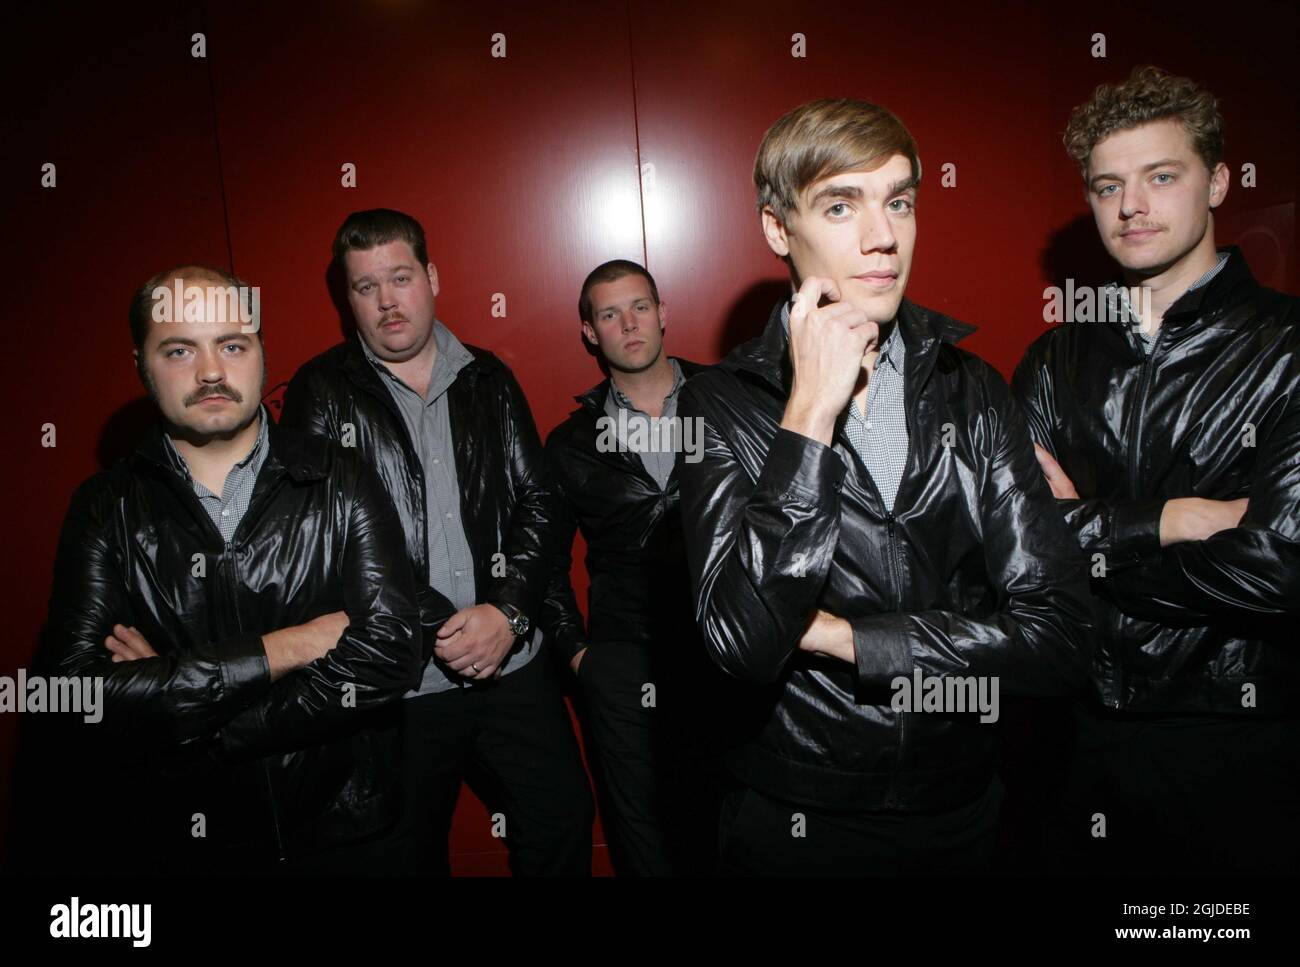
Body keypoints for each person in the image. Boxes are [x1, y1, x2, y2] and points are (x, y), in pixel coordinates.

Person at [676, 98, 1095, 875]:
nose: (884, 236)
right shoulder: (719, 403)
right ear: (778, 228)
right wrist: (806, 419)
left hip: (963, 806)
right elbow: (740, 643)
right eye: (841, 204)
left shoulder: (974, 389)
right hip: (800, 815)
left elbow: (1062, 637)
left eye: (899, 200)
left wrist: (849, 639)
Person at [26, 264, 422, 874]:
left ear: (261, 352)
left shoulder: (340, 475)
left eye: (232, 345)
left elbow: (391, 650)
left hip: (350, 830)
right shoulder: (106, 507)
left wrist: (196, 715)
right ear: (141, 364)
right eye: (180, 349)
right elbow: (77, 696)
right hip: (191, 841)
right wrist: (292, 644)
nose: (211, 371)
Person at [1013, 65, 1300, 874]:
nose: (1131, 205)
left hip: (1234, 730)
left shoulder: (1287, 347)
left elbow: (1280, 566)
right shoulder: (1054, 355)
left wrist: (1087, 540)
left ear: (1219, 182)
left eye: (1161, 176)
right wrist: (1175, 518)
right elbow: (1015, 553)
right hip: (1073, 731)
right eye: (1108, 186)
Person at [280, 209, 593, 875]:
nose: (388, 301)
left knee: (560, 821)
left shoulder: (487, 376)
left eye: (401, 277)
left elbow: (539, 500)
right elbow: (327, 537)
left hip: (512, 664)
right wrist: (447, 626)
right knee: (405, 856)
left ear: (432, 278)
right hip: (399, 681)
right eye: (366, 287)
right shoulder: (321, 389)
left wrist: (507, 612)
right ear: (348, 298)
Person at [542, 259, 722, 875]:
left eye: (640, 306)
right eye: (610, 313)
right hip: (624, 661)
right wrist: (579, 657)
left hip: (728, 650)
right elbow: (542, 561)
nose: (629, 323)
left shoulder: (729, 403)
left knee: (733, 820)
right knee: (644, 838)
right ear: (590, 332)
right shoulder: (571, 443)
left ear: (664, 312)